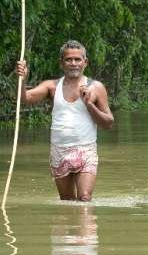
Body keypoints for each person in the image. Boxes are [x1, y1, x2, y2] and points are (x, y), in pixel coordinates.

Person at [15, 40, 114, 201]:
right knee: (67, 201)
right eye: (69, 59)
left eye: (77, 59)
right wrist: (23, 79)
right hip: (59, 151)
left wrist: (89, 104)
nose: (73, 63)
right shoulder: (52, 86)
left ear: (85, 62)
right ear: (61, 63)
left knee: (84, 197)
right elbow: (25, 98)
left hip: (86, 150)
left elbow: (108, 123)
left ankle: (85, 218)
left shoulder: (96, 87)